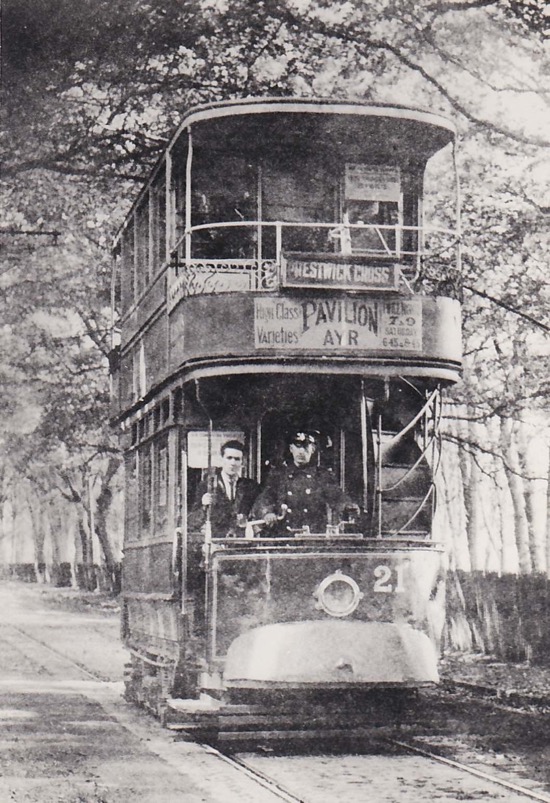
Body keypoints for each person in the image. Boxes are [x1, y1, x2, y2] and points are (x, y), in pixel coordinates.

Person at [252, 430, 359, 535]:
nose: (301, 451)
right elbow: (266, 497)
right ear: (291, 449)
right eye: (297, 446)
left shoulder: (322, 476)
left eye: (305, 446)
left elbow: (336, 496)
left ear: (313, 449)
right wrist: (267, 513)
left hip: (313, 536)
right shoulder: (279, 475)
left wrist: (347, 506)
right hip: (284, 535)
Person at [188, 440, 260, 537]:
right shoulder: (207, 486)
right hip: (215, 543)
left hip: (242, 542)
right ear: (222, 459)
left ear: (243, 462)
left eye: (237, 459)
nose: (233, 463)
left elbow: (257, 513)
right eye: (229, 458)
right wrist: (204, 507)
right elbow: (191, 522)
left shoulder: (250, 486)